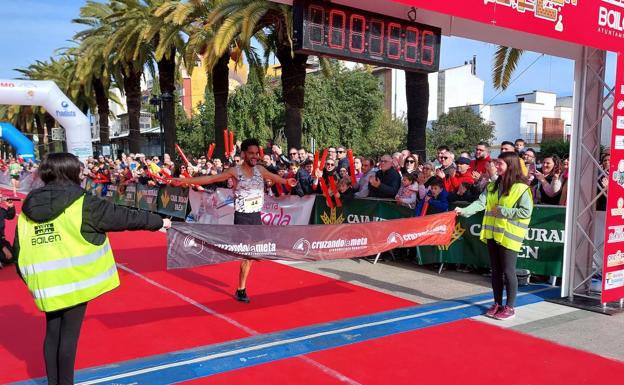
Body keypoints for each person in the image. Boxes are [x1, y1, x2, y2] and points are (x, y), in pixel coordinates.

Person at [14, 153, 170, 385]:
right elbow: (121, 216)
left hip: (45, 281)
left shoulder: (29, 205)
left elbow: (19, 246)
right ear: (70, 172)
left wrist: (31, 278)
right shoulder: (81, 202)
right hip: (74, 279)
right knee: (68, 336)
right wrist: (158, 222)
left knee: (53, 333)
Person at [173, 138, 297, 303]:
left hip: (256, 216)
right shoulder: (235, 171)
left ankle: (242, 254)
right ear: (244, 154)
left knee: (253, 254)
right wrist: (186, 181)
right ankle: (241, 289)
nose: (254, 157)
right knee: (247, 255)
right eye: (251, 153)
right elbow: (211, 179)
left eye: (256, 154)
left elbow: (277, 178)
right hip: (242, 217)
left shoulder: (260, 169)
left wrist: (287, 181)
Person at [455, 152, 533, 321]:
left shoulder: (521, 188)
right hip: (493, 234)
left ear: (510, 166)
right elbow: (481, 203)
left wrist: (504, 211)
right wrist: (463, 211)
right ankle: (497, 303)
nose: (496, 167)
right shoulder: (492, 186)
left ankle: (510, 307)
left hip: (509, 236)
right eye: (496, 163)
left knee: (508, 271)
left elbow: (526, 211)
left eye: (500, 164)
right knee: (496, 271)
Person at [0, 193, 16, 268]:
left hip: (1, 240)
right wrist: (3, 247)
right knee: (5, 256)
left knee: (12, 256)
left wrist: (11, 207)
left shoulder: (1, 210)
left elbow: (10, 216)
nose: (1, 198)